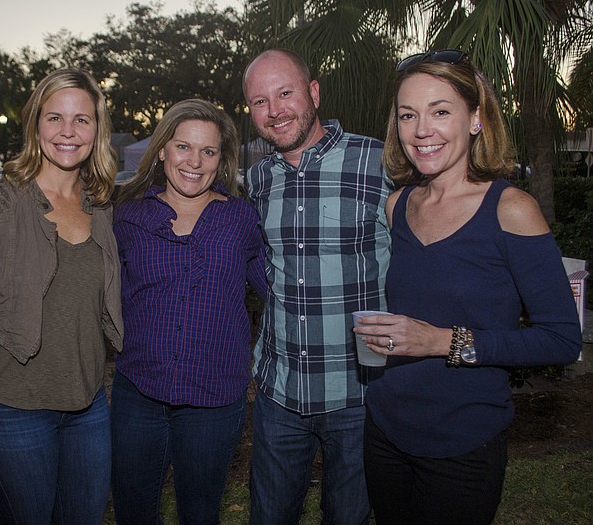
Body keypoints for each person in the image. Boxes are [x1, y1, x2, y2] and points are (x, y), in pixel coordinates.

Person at [356, 49, 583, 524]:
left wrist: (441, 341)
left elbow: (562, 339)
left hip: (463, 440)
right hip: (385, 429)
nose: (422, 130)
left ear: (476, 119)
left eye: (441, 111)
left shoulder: (511, 208)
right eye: (408, 115)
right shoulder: (398, 205)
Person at [243, 49, 391, 524]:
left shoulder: (379, 161)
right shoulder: (259, 177)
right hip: (279, 392)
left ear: (313, 92)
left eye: (285, 93)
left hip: (359, 392)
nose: (275, 110)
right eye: (260, 101)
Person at [110, 99, 267, 524]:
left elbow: (279, 288)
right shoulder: (127, 215)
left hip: (213, 400)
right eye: (183, 147)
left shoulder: (241, 219)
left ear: (222, 160)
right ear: (161, 150)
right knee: (133, 512)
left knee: (200, 512)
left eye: (208, 151)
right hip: (138, 393)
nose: (194, 162)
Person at [0, 68, 122, 525]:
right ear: (35, 124)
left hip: (88, 404)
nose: (67, 131)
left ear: (97, 129)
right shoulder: (1, 196)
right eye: (54, 117)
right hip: (16, 406)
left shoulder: (101, 203)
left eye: (82, 119)